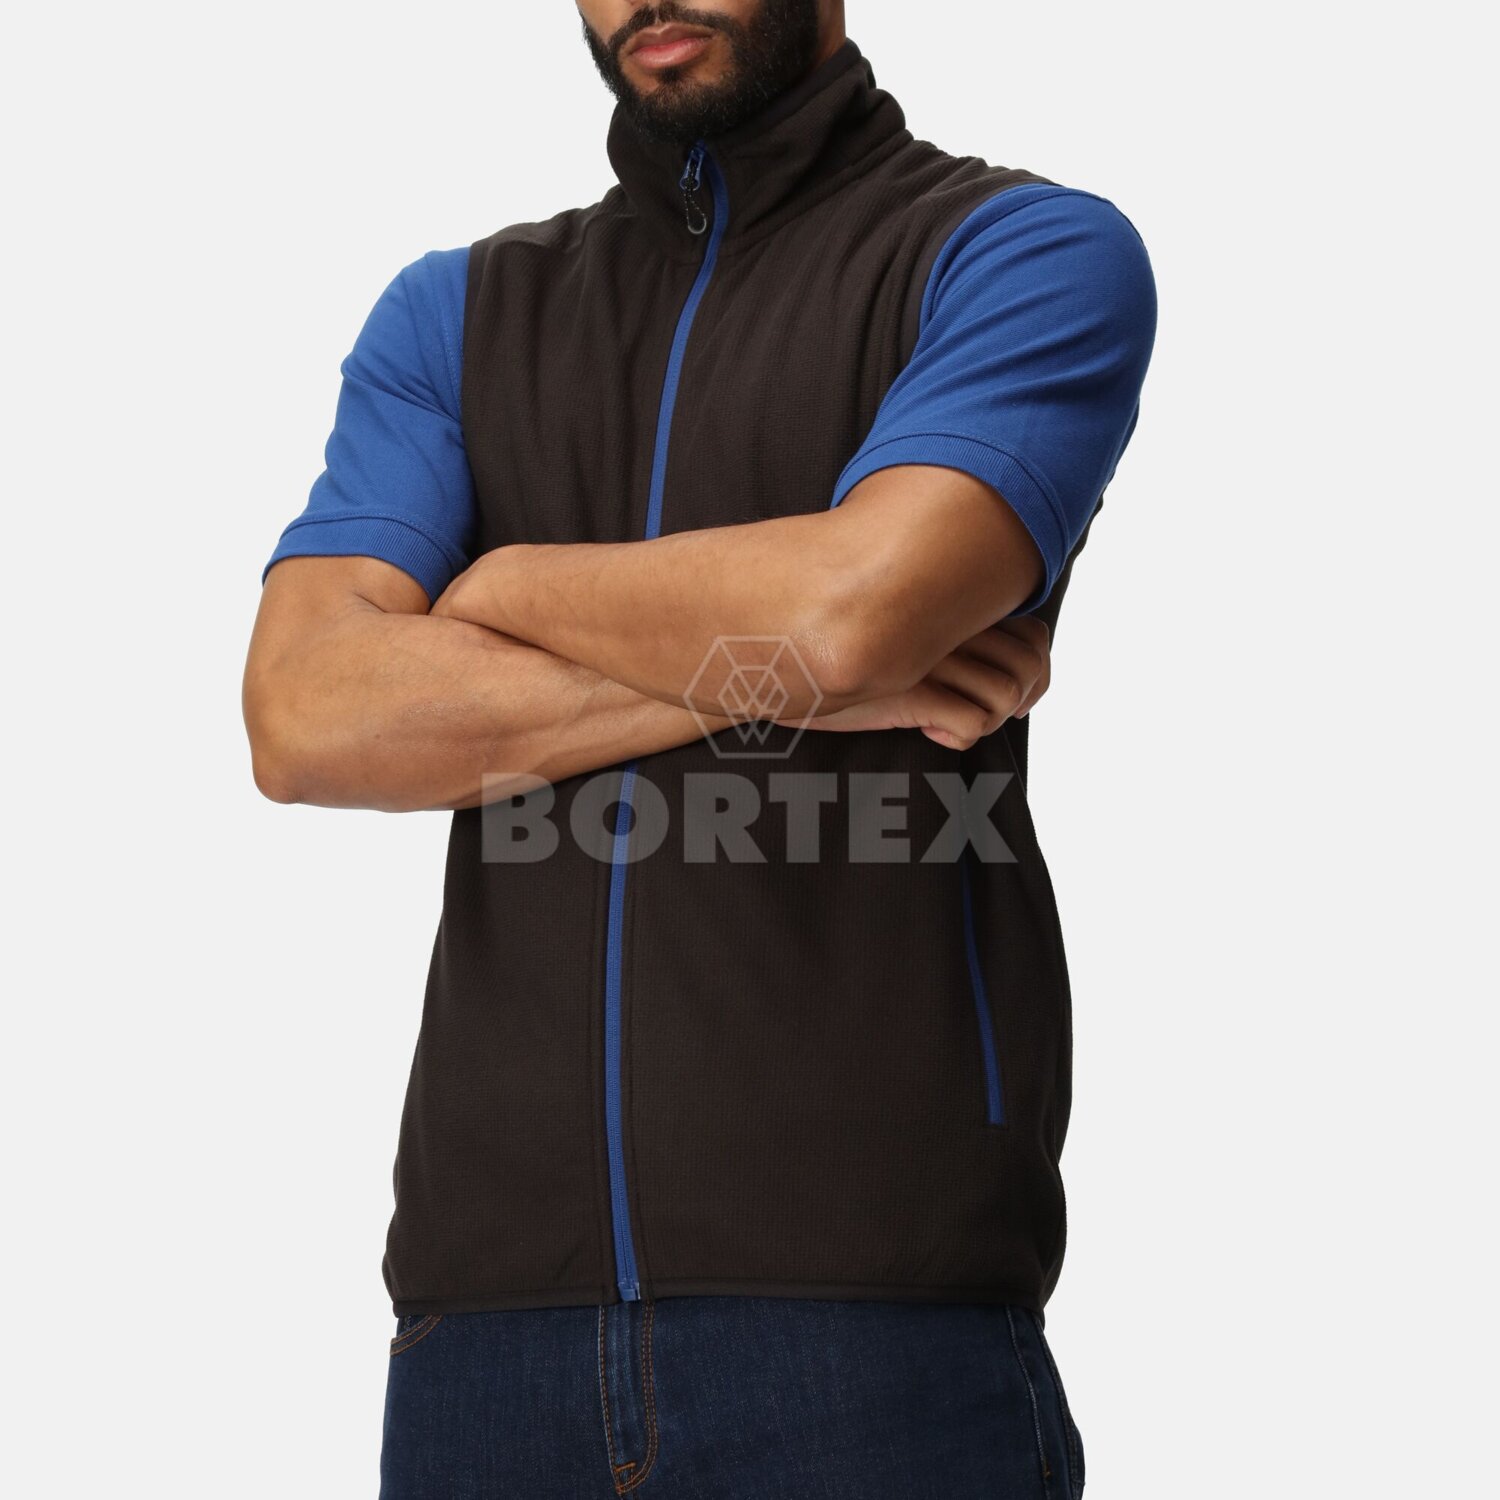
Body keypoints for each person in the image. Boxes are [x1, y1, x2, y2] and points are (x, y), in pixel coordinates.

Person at [243, 2, 1156, 1494]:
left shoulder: (1014, 252)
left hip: (879, 1322)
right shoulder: (457, 314)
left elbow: (848, 617)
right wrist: (797, 677)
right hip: (484, 1329)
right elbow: (303, 717)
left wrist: (498, 587)